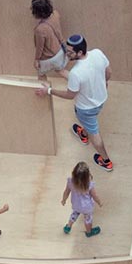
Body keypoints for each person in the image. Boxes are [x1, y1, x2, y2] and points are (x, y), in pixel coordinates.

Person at [36, 34, 113, 172]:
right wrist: (104, 82)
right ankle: (84, 131)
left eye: (70, 52)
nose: (67, 54)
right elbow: (108, 72)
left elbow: (70, 94)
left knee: (94, 134)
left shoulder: (76, 72)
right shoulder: (98, 54)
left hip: (86, 109)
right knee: (89, 124)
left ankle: (106, 161)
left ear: (80, 52)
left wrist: (49, 91)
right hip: (101, 100)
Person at [60, 161, 102, 236]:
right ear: (87, 175)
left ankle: (68, 227)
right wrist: (99, 202)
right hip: (87, 207)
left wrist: (64, 200)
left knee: (74, 214)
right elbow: (95, 196)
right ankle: (89, 232)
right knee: (88, 219)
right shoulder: (89, 185)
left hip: (76, 204)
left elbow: (66, 192)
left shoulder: (70, 181)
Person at [32, 0, 68, 82]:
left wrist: (36, 60)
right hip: (60, 51)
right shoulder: (55, 14)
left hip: (48, 58)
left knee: (41, 75)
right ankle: (78, 85)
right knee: (61, 71)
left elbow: (39, 47)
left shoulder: (40, 29)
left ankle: (45, 92)